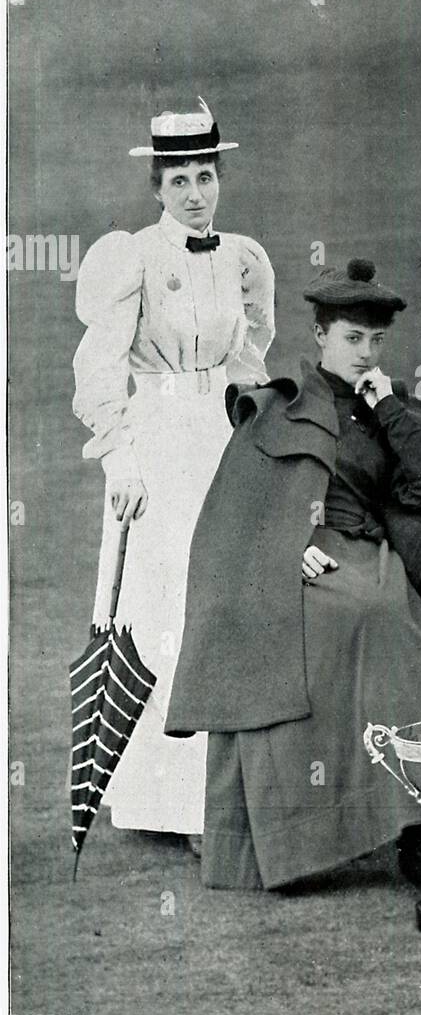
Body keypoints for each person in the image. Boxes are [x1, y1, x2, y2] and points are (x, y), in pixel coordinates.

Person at [164, 259, 421, 891]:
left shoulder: (389, 409)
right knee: (339, 624)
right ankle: (302, 837)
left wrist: (389, 407)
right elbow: (241, 511)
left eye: (376, 341)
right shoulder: (280, 407)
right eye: (351, 339)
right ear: (319, 337)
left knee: (391, 622)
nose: (365, 353)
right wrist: (287, 547)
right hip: (301, 560)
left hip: (368, 552)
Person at [72, 99, 275, 848]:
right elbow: (98, 372)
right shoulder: (132, 257)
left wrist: (258, 444)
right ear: (156, 186)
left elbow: (251, 364)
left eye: (205, 177)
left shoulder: (242, 258)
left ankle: (227, 790)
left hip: (220, 437)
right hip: (156, 445)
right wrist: (121, 458)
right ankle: (171, 803)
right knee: (165, 612)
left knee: (227, 604)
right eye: (179, 180)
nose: (194, 194)